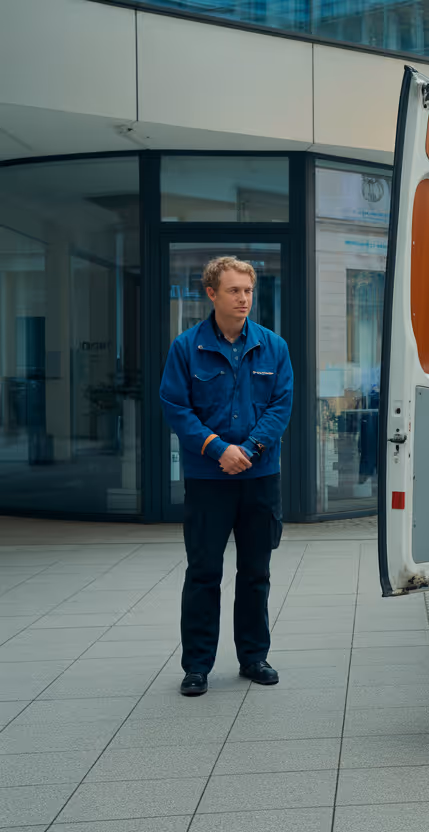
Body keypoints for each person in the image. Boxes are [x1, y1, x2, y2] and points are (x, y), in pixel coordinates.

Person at [160, 255, 294, 697]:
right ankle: (197, 666)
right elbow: (175, 407)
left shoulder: (273, 346)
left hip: (259, 477)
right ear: (212, 294)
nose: (243, 299)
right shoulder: (186, 347)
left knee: (256, 572)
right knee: (203, 572)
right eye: (234, 290)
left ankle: (253, 657)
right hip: (208, 479)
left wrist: (250, 449)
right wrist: (219, 449)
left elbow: (281, 405)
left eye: (248, 291)